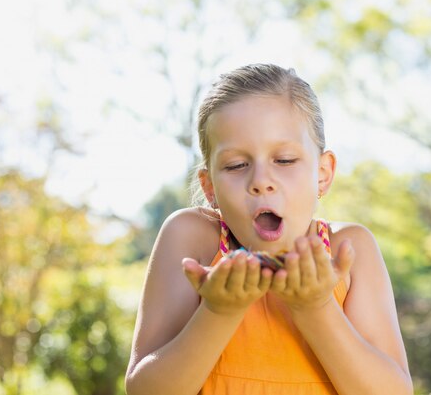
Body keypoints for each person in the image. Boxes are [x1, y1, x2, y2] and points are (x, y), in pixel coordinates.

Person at [125, 64, 413, 395]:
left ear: (322, 173)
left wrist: (315, 307)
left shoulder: (347, 250)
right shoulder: (193, 239)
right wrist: (219, 311)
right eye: (236, 165)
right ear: (210, 187)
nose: (261, 182)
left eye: (285, 160)